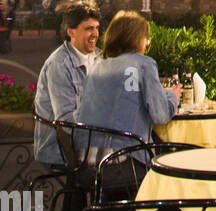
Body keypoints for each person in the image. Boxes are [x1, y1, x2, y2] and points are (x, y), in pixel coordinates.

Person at [77, 10, 181, 195]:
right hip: (124, 162)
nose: (147, 42)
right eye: (145, 37)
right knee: (178, 165)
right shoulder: (143, 64)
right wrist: (173, 96)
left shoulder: (97, 65)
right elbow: (161, 115)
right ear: (136, 39)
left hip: (88, 163)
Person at [33, 2, 101, 166]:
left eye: (96, 28)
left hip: (89, 143)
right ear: (71, 32)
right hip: (61, 149)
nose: (95, 34)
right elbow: (66, 122)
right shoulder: (59, 65)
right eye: (88, 29)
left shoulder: (98, 56)